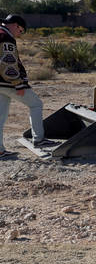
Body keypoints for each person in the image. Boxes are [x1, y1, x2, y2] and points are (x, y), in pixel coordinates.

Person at [0, 14, 52, 158]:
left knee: (0, 117)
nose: (19, 34)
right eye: (21, 31)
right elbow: (8, 63)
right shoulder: (6, 38)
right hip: (8, 82)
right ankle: (39, 139)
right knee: (36, 104)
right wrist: (18, 84)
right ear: (16, 25)